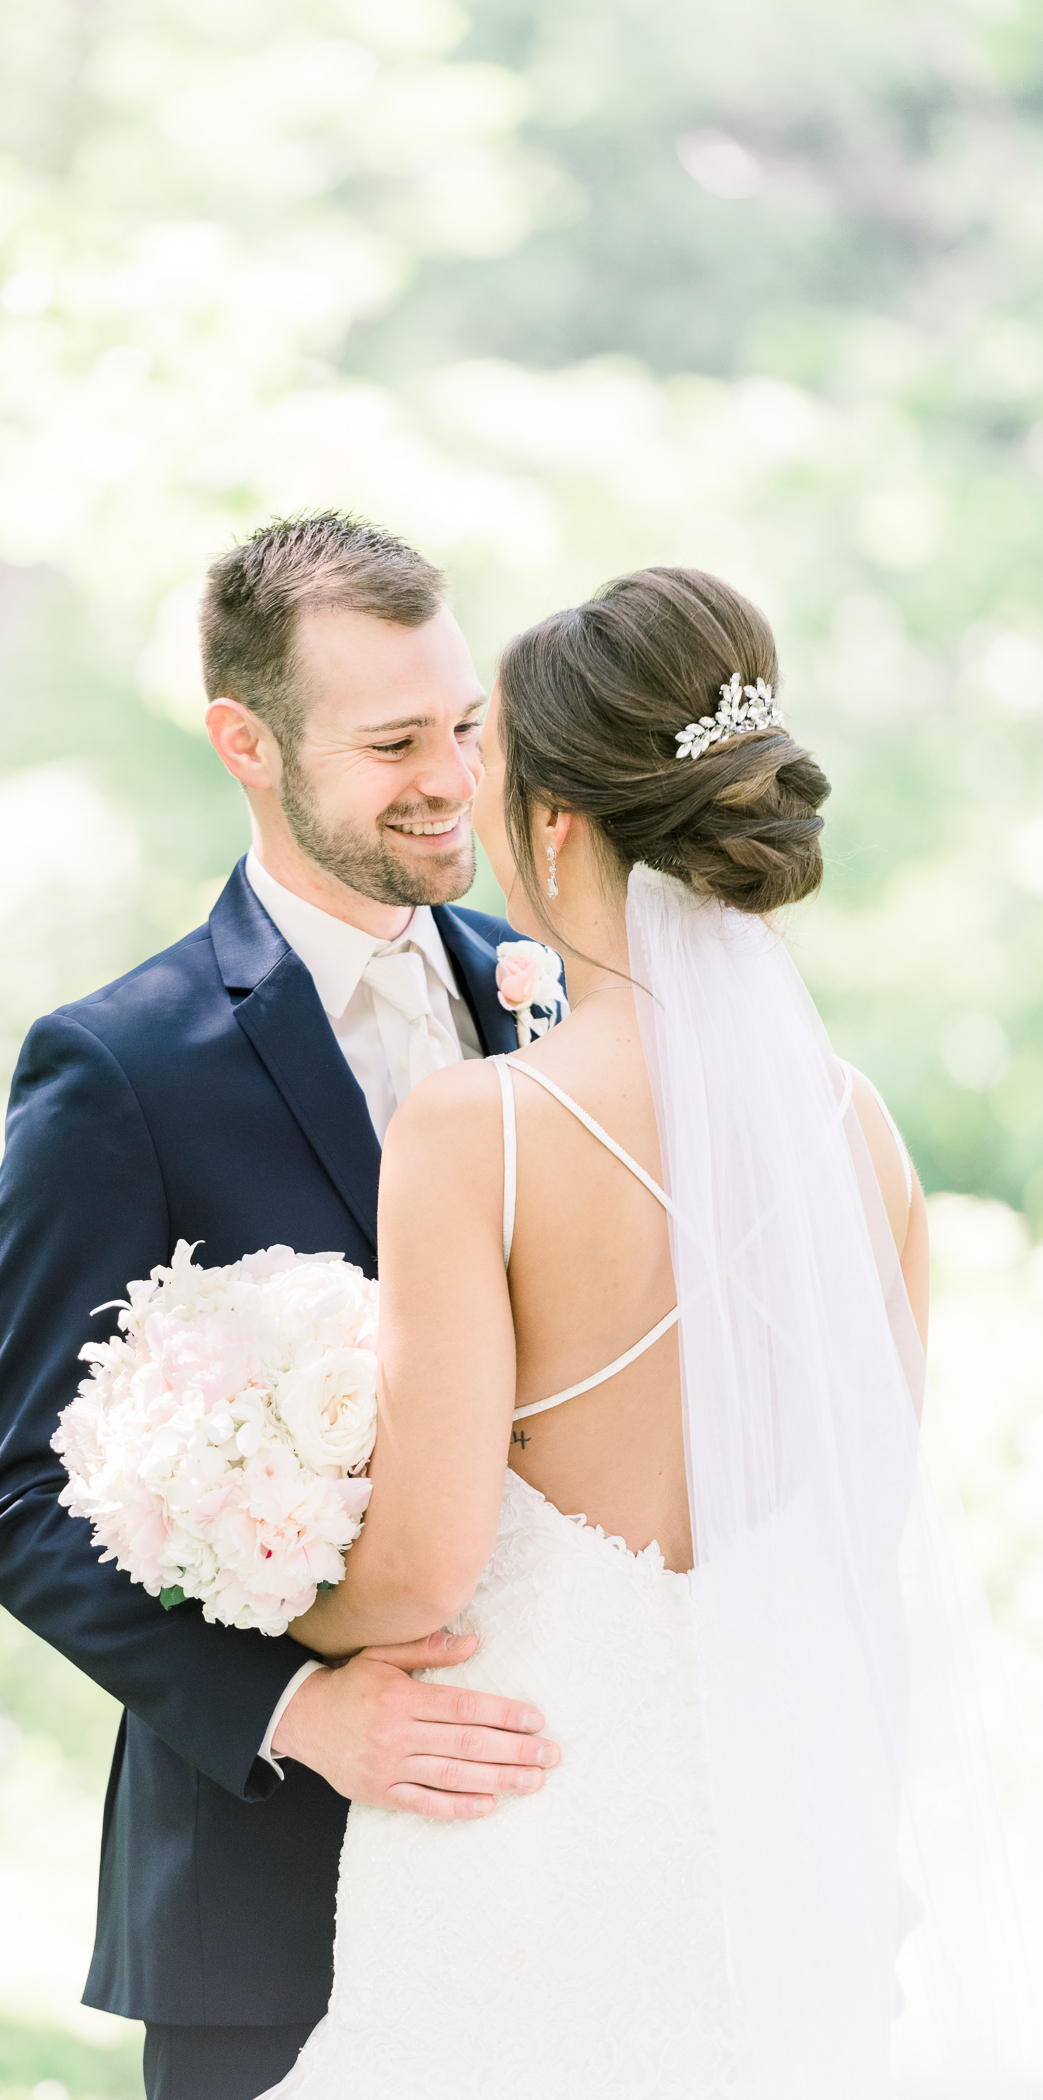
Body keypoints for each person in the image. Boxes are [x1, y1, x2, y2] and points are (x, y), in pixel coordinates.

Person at [256, 566, 1023, 2098]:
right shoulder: (863, 1141)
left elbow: (417, 1568)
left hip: (521, 1833)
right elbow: (851, 1528)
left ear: (554, 825)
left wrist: (255, 1562)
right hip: (767, 1842)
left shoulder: (475, 1132)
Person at [0, 512, 560, 2100]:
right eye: (391, 744)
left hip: (559, 1850)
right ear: (247, 742)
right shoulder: (120, 1068)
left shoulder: (558, 1004)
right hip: (262, 1898)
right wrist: (297, 1708)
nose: (451, 777)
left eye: (465, 728)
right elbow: (19, 1505)